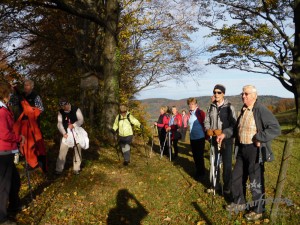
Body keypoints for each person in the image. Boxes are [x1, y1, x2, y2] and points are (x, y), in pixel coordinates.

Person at [217, 85, 281, 221]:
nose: (243, 96)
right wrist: (224, 134)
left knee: (255, 180)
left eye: (246, 94)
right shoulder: (244, 109)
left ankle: (259, 210)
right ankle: (239, 203)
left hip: (254, 150)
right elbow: (236, 129)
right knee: (236, 177)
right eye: (242, 93)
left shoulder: (260, 109)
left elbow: (275, 128)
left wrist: (259, 138)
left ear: (254, 96)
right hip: (241, 149)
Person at [204, 84, 237, 195]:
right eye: (215, 92)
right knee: (214, 163)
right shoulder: (211, 107)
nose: (216, 94)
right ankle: (214, 185)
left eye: (219, 92)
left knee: (227, 164)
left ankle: (227, 187)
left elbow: (234, 125)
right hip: (214, 139)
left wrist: (224, 133)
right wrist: (208, 129)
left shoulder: (229, 107)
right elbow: (206, 120)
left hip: (226, 140)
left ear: (223, 93)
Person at [0, 82, 25, 225]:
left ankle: (13, 207)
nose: (9, 96)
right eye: (8, 93)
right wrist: (19, 138)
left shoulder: (5, 109)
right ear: (4, 94)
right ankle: (2, 218)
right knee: (3, 186)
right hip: (3, 152)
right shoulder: (1, 111)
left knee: (15, 181)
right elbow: (4, 134)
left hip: (8, 150)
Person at [11, 79, 47, 172]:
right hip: (22, 125)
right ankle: (31, 162)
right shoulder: (20, 96)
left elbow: (41, 109)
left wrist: (30, 111)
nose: (25, 87)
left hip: (33, 125)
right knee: (25, 144)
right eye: (24, 85)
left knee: (35, 143)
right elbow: (13, 105)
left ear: (32, 87)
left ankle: (38, 163)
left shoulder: (36, 96)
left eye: (27, 85)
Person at [55, 97, 84, 175]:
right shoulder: (60, 112)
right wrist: (64, 133)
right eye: (62, 107)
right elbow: (59, 123)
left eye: (65, 106)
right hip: (66, 135)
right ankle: (59, 169)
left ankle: (76, 168)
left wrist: (74, 125)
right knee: (62, 151)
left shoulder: (76, 109)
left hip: (76, 134)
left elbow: (81, 120)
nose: (65, 108)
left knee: (77, 151)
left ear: (68, 103)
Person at [187, 98, 206, 180]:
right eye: (190, 104)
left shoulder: (200, 113)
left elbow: (205, 123)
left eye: (192, 104)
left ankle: (201, 173)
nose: (191, 105)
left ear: (196, 105)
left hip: (200, 137)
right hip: (192, 137)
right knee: (195, 155)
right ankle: (198, 171)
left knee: (199, 156)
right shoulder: (190, 113)